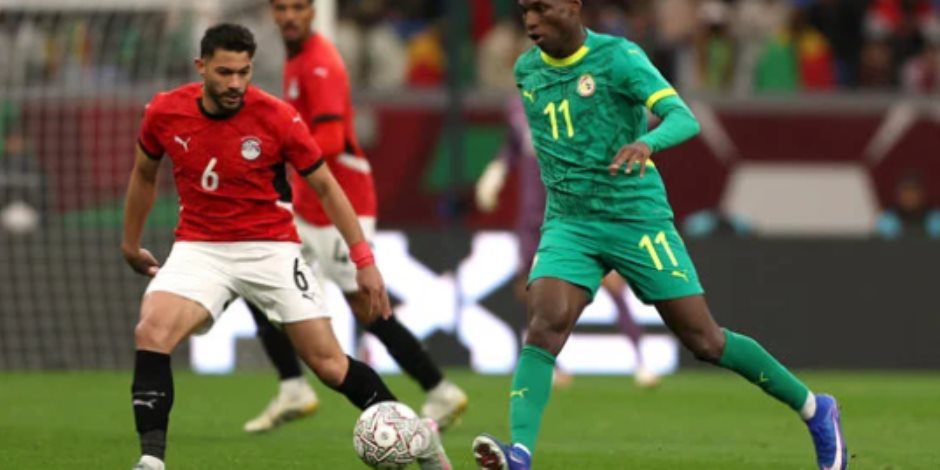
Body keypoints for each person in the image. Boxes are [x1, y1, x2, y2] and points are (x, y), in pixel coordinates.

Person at [471, 2, 847, 470]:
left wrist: (646, 142)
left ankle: (815, 409)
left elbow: (683, 117)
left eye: (542, 8)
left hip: (635, 217)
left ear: (573, 6)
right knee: (544, 324)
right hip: (570, 222)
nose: (531, 20)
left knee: (705, 340)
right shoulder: (527, 70)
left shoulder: (619, 57)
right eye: (525, 9)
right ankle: (520, 455)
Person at [122, 24, 449, 470]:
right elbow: (143, 174)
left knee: (330, 365)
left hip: (270, 249)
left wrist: (364, 260)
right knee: (152, 331)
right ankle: (151, 460)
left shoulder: (276, 117)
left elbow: (327, 186)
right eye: (224, 72)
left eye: (244, 72)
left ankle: (422, 443)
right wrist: (131, 243)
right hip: (200, 247)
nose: (235, 83)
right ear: (201, 67)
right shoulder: (165, 111)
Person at [237, 0, 467, 435]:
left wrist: (276, 153)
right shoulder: (297, 58)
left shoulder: (319, 63)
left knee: (366, 307)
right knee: (257, 278)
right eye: (281, 8)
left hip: (341, 201)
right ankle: (292, 386)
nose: (289, 16)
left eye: (299, 7)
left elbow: (330, 138)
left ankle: (439, 389)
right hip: (307, 204)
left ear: (313, 11)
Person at [476, 96, 660, 388]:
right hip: (533, 220)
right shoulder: (516, 106)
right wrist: (497, 169)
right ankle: (551, 364)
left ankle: (641, 360)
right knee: (532, 289)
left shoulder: (576, 96)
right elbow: (512, 145)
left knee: (611, 282)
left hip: (574, 211)